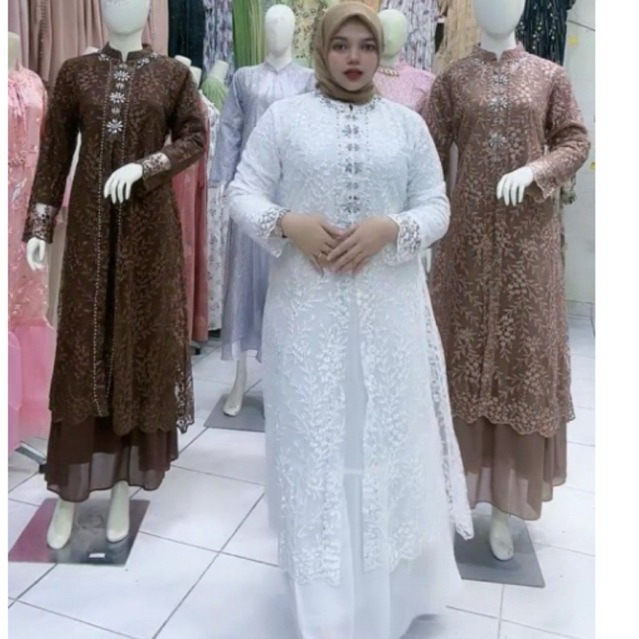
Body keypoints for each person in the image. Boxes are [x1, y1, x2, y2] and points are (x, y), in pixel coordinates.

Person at [227, 4, 472, 639]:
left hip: (390, 318)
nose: (355, 57)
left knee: (385, 440)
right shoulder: (285, 119)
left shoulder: (406, 125)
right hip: (307, 319)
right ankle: (328, 605)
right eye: (342, 45)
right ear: (322, 49)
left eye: (366, 44)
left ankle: (395, 595)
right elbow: (241, 192)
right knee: (318, 444)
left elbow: (437, 205)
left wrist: (393, 227)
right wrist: (288, 223)